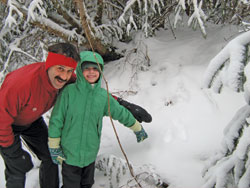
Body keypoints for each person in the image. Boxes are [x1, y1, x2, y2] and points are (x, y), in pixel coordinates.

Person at [0, 43, 152, 188]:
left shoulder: (66, 79)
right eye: (60, 69)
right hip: (5, 124)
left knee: (49, 156)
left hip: (31, 121)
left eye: (68, 71)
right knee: (16, 169)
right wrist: (13, 153)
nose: (64, 76)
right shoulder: (21, 84)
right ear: (49, 64)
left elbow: (91, 92)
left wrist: (125, 105)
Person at [48, 51, 148, 188]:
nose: (91, 72)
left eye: (95, 69)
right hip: (69, 154)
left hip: (90, 153)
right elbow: (56, 120)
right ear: (80, 70)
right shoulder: (69, 93)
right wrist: (54, 145)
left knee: (87, 184)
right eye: (87, 68)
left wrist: (137, 128)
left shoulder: (102, 96)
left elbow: (120, 113)